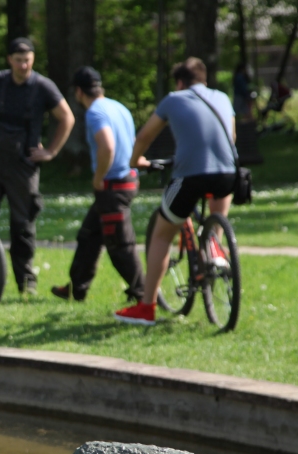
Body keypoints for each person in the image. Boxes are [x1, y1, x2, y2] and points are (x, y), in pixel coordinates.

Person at [115, 57, 236, 326]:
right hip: (228, 174)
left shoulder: (173, 99)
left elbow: (145, 136)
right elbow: (232, 137)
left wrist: (135, 160)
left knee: (161, 234)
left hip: (190, 176)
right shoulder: (222, 98)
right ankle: (213, 253)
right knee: (217, 216)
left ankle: (146, 307)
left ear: (180, 82)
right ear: (204, 79)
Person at [0, 37, 75, 295]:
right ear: (9, 60)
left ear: (33, 59)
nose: (23, 65)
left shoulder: (43, 87)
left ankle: (26, 283)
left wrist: (51, 151)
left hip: (24, 167)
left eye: (27, 60)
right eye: (18, 60)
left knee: (23, 225)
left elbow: (66, 117)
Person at [50, 67, 143, 304]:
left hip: (113, 185)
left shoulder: (95, 113)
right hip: (129, 179)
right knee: (89, 235)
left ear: (79, 92)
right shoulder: (118, 107)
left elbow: (107, 146)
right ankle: (76, 288)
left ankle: (142, 292)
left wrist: (99, 177)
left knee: (119, 244)